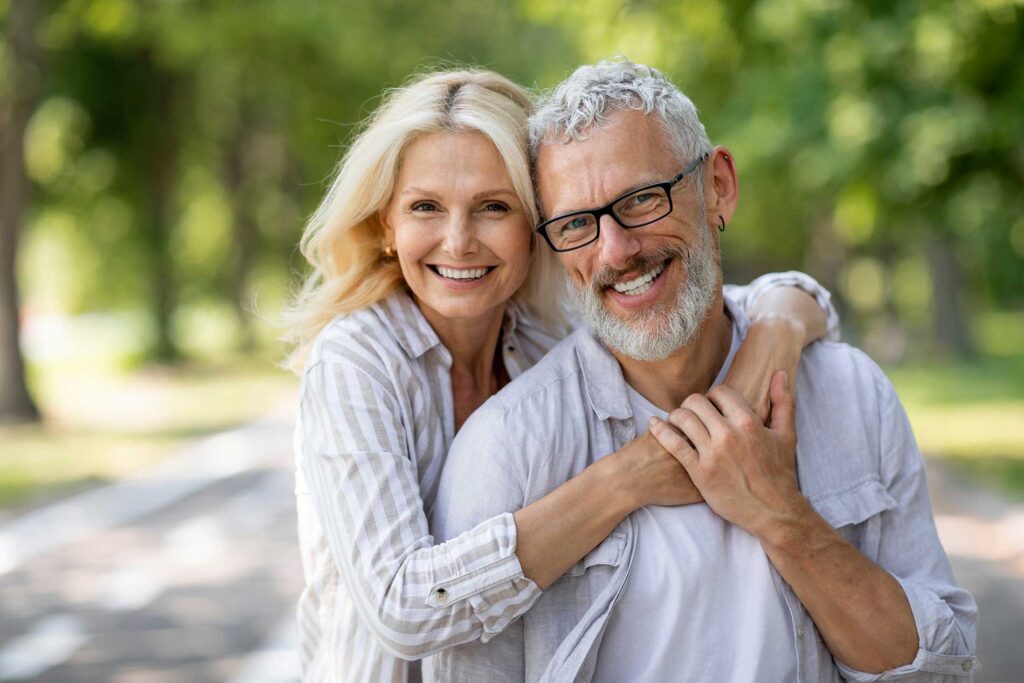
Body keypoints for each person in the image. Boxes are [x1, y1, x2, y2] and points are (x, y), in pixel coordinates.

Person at [430, 59, 979, 682]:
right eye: (578, 223)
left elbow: (941, 671)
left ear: (717, 185)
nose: (615, 250)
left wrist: (783, 517)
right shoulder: (509, 448)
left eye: (641, 199)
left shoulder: (850, 392)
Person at [285, 68, 839, 682]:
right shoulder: (356, 361)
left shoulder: (547, 337)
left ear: (538, 225)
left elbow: (743, 294)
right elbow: (404, 609)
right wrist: (628, 479)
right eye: (425, 208)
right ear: (387, 225)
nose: (459, 240)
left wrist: (777, 332)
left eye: (494, 207)